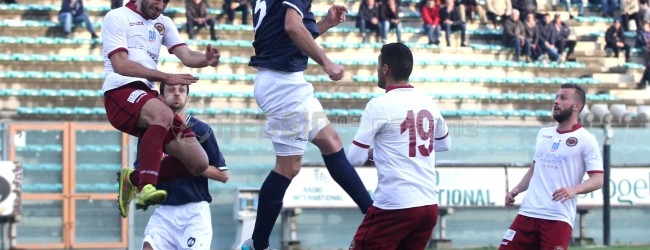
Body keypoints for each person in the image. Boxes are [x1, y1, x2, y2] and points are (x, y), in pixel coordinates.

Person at [241, 0, 374, 249]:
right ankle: (257, 244)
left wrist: (326, 23)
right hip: (284, 86)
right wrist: (326, 62)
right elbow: (292, 27)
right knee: (287, 167)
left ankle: (372, 214)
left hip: (286, 81)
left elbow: (286, 36)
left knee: (331, 141)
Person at [102, 0, 220, 218]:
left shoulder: (163, 22)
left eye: (166, 2)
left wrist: (206, 59)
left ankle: (132, 179)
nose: (161, 6)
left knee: (199, 162)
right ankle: (146, 187)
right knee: (163, 112)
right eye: (158, 0)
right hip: (120, 91)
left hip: (147, 96)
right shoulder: (117, 16)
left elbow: (186, 55)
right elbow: (121, 65)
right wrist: (166, 77)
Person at [346, 43, 451, 249]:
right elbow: (444, 144)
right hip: (428, 205)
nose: (377, 70)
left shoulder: (379, 105)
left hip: (396, 205)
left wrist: (382, 154)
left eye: (378, 65)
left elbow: (354, 158)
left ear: (385, 69)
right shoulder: (428, 101)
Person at [499, 83, 604, 250]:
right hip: (528, 212)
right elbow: (535, 169)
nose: (556, 101)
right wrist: (516, 190)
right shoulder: (544, 133)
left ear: (577, 106)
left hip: (557, 216)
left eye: (563, 98)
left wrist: (574, 189)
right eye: (556, 97)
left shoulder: (586, 139)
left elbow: (598, 179)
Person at [128, 83, 229, 250]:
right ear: (160, 98)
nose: (177, 94)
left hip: (194, 212)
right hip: (165, 211)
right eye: (171, 90)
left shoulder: (201, 130)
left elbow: (223, 175)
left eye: (182, 90)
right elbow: (141, 171)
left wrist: (193, 163)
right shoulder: (150, 133)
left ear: (187, 97)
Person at [636, 22, 650, 89]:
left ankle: (643, 82)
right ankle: (643, 82)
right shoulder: (641, 32)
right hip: (643, 46)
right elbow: (639, 40)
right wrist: (646, 42)